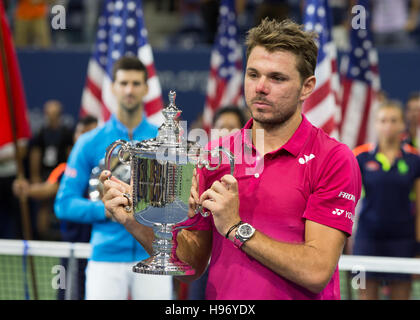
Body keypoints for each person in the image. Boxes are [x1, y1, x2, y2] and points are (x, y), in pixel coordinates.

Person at [100, 18, 362, 300]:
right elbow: (192, 265)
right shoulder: (214, 155)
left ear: (307, 86)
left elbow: (316, 272)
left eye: (277, 78)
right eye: (253, 74)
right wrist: (134, 220)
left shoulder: (334, 159)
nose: (261, 87)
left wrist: (236, 229)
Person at [54, 56, 173, 300]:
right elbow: (64, 204)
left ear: (146, 88)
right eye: (124, 83)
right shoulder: (89, 142)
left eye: (136, 83)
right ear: (113, 88)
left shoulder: (164, 142)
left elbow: (176, 203)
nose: (129, 90)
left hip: (153, 254)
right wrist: (107, 211)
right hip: (105, 256)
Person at [13, 115, 98, 300]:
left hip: (98, 248)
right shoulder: (66, 169)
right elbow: (47, 188)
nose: (85, 138)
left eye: (91, 133)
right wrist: (27, 189)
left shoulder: (107, 169)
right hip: (72, 247)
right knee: (67, 292)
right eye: (81, 133)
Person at [352, 101, 420, 300]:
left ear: (402, 124)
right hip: (366, 240)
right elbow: (348, 201)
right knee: (364, 296)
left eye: (393, 120)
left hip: (402, 241)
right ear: (375, 124)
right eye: (383, 120)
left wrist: (418, 246)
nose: (388, 125)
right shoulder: (360, 156)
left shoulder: (414, 159)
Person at [187, 105, 247, 300]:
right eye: (221, 128)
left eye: (232, 128)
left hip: (236, 266)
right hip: (201, 264)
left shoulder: (252, 172)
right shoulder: (199, 168)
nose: (226, 134)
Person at [29, 99, 74, 240]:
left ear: (59, 115)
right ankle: (43, 237)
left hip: (61, 175)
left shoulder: (66, 133)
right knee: (44, 205)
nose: (52, 116)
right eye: (49, 113)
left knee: (62, 205)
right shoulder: (41, 134)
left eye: (55, 113)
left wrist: (69, 176)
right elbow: (35, 156)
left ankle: (63, 235)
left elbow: (70, 155)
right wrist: (35, 177)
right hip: (45, 174)